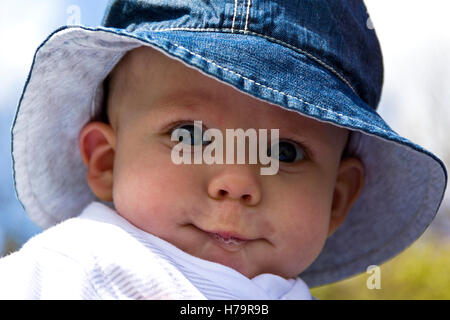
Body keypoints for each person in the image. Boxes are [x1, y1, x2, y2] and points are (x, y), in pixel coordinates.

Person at [0, 0, 446, 299]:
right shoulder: (71, 270)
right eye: (190, 136)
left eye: (286, 153)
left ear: (336, 197)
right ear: (107, 160)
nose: (236, 183)